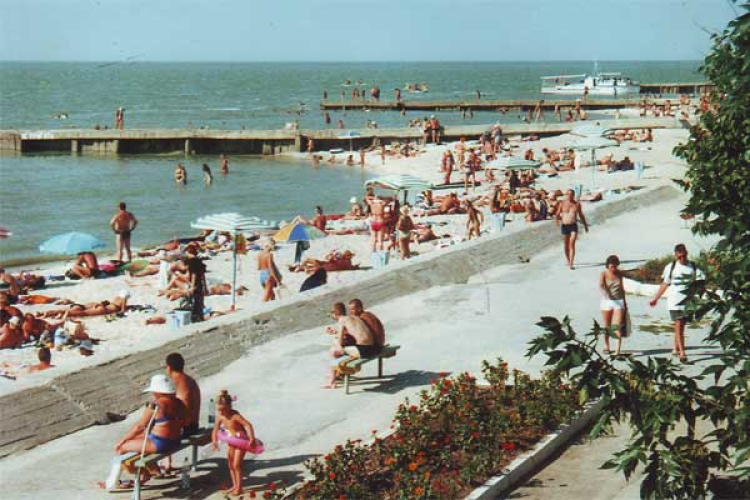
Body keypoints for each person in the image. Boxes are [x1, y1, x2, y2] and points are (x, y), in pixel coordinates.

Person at [104, 375, 186, 491]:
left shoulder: (155, 405)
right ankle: (153, 470)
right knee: (138, 441)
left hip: (160, 443)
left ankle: (113, 482)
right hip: (176, 441)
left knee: (121, 448)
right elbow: (184, 421)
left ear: (158, 391)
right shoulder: (179, 403)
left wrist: (122, 440)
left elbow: (140, 427)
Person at [649, 244, 704, 363]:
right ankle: (682, 353)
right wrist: (656, 298)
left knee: (681, 326)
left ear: (687, 253)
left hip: (688, 301)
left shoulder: (693, 266)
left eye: (684, 256)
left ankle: (675, 348)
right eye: (679, 257)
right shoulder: (671, 267)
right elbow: (665, 283)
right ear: (675, 255)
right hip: (674, 301)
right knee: (678, 324)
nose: (682, 258)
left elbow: (701, 282)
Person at [211, 390, 258, 496]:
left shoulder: (235, 415)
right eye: (218, 410)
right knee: (230, 464)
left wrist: (251, 437)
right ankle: (235, 485)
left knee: (237, 464)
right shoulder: (221, 416)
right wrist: (214, 441)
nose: (220, 412)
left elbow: (247, 425)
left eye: (223, 410)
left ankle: (239, 488)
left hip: (242, 441)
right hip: (232, 441)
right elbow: (215, 430)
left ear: (229, 406)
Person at [323, 302, 378, 389]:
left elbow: (341, 342)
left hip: (364, 350)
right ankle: (337, 374)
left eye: (331, 314)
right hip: (373, 347)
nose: (331, 316)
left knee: (334, 350)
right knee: (337, 348)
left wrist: (336, 337)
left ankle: (332, 381)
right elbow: (354, 331)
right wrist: (336, 332)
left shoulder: (341, 320)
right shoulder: (353, 317)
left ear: (335, 313)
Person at [165, 353, 201, 436]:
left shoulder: (180, 384)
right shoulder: (188, 379)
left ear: (169, 368)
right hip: (194, 425)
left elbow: (185, 413)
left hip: (186, 429)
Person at [600, 255, 628, 356]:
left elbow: (622, 289)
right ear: (607, 265)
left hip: (618, 302)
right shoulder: (603, 274)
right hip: (606, 302)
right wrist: (605, 292)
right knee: (607, 326)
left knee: (617, 326)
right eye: (612, 266)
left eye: (615, 266)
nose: (614, 269)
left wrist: (625, 302)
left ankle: (617, 351)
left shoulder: (619, 274)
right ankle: (606, 345)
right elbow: (601, 285)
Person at [554, 189, 589, 269]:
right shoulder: (562, 203)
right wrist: (557, 222)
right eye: (568, 194)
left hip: (573, 226)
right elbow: (557, 214)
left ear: (573, 195)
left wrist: (585, 225)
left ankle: (571, 263)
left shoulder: (577, 204)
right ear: (566, 195)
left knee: (572, 244)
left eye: (571, 194)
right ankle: (568, 260)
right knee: (565, 245)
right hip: (565, 226)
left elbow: (581, 215)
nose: (569, 196)